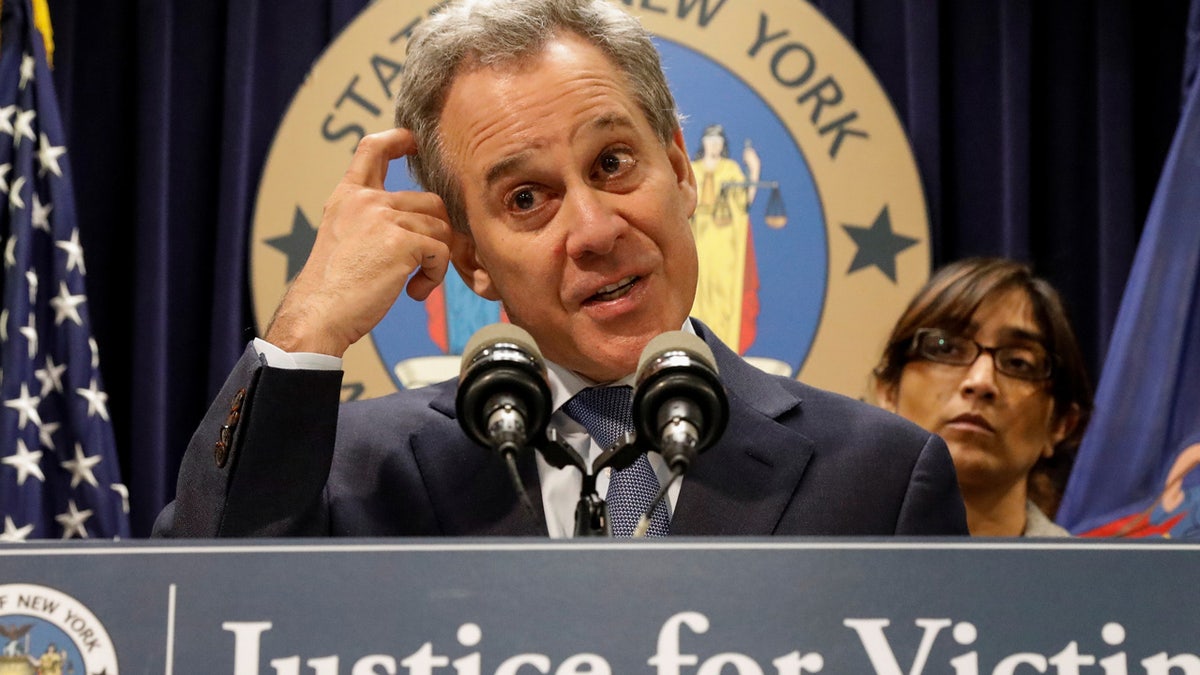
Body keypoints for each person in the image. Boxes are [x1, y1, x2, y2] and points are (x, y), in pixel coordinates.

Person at [152, 0, 967, 538]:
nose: (593, 229)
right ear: (471, 257)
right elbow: (198, 604)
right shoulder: (355, 472)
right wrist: (306, 329)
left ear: (681, 171)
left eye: (613, 162)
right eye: (528, 197)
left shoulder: (884, 478)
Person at [871, 257, 1094, 537]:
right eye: (946, 348)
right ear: (888, 392)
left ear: (1061, 424)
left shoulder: (1089, 579)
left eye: (1018, 363)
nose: (981, 382)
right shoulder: (815, 566)